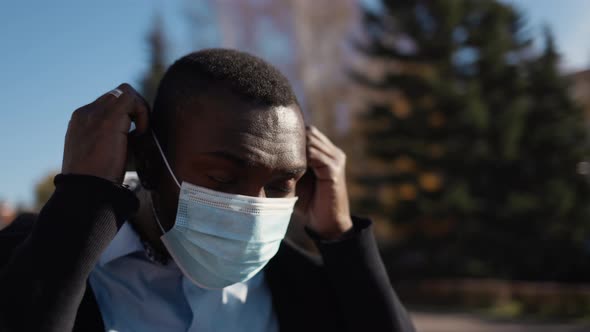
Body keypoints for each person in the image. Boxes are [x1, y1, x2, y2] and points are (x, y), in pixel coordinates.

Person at [0, 49, 415, 332]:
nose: (253, 209)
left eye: (278, 185)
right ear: (147, 163)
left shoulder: (304, 287)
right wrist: (83, 197)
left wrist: (340, 238)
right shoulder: (35, 259)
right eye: (222, 178)